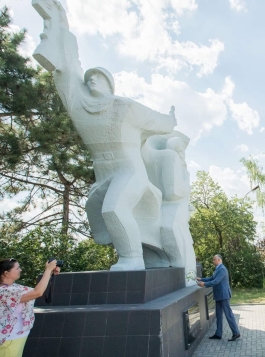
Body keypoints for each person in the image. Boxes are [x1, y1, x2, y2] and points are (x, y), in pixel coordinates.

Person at [0, 258, 59, 357]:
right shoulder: (4, 291)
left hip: (16, 336)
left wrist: (49, 273)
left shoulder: (14, 287)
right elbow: (37, 292)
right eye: (17, 268)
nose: (20, 270)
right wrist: (47, 270)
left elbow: (37, 290)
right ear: (6, 273)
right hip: (8, 339)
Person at [197, 254, 240, 341]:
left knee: (228, 315)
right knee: (219, 315)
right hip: (219, 295)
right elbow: (211, 278)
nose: (213, 261)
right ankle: (218, 334)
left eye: (214, 260)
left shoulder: (222, 269)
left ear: (219, 260)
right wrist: (200, 279)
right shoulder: (218, 269)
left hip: (223, 295)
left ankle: (236, 333)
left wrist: (204, 284)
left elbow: (215, 281)